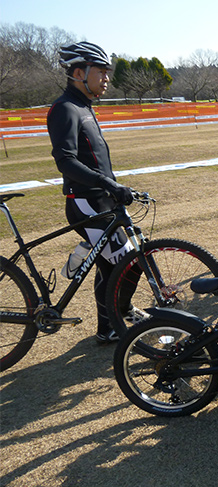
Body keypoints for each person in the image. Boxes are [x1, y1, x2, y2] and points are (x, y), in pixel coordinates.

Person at [47, 41, 141, 344]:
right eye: (101, 72)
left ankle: (107, 327)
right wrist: (109, 184)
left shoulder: (84, 107)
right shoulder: (65, 109)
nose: (107, 79)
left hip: (102, 201)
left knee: (110, 267)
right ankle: (119, 316)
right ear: (78, 72)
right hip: (85, 202)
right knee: (129, 264)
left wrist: (114, 188)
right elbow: (66, 161)